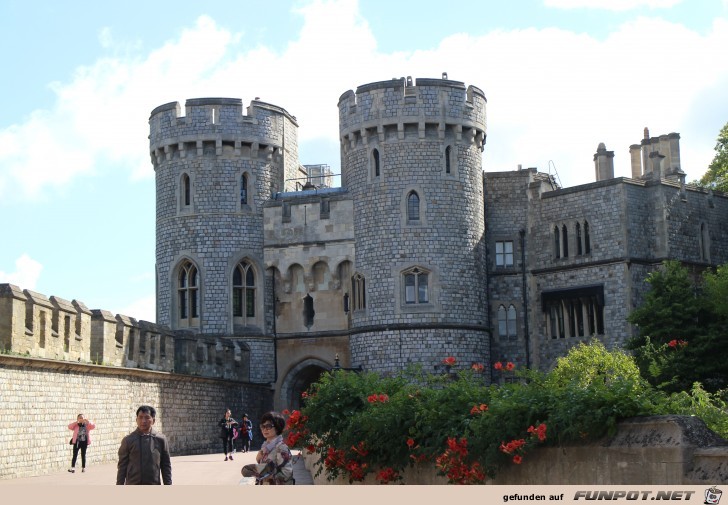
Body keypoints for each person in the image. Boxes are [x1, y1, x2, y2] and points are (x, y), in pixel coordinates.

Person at [116, 405, 172, 485]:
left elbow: (166, 466)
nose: (143, 421)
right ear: (136, 420)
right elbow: (122, 467)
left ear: (153, 420)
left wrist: (168, 484)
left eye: (147, 417)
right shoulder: (128, 440)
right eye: (140, 417)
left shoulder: (161, 439)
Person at [241, 411, 294, 485]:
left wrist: (265, 475)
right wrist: (259, 460)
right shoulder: (266, 447)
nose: (264, 429)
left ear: (277, 427)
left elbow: (287, 474)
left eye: (268, 426)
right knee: (245, 470)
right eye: (263, 426)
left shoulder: (281, 448)